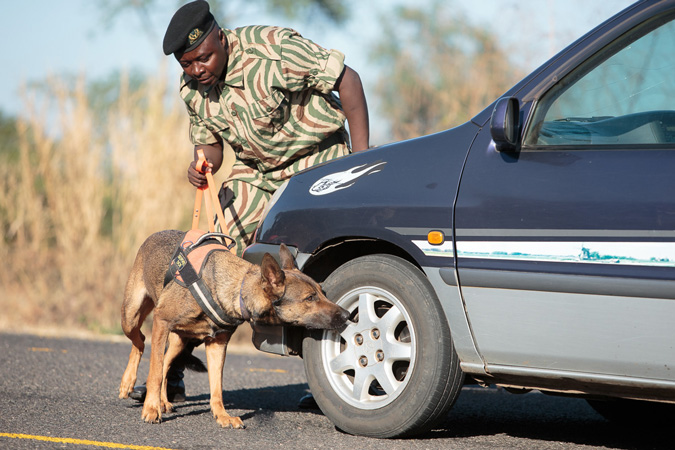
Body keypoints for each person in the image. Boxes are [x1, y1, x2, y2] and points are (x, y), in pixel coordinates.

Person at [130, 0, 370, 408]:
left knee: (311, 267)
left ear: (220, 38)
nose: (196, 70)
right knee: (212, 257)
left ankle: (328, 383)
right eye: (186, 64)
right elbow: (213, 148)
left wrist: (362, 161)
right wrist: (201, 163)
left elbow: (348, 80)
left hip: (318, 158)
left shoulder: (272, 49)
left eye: (202, 57)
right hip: (259, 171)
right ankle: (171, 371)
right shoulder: (193, 88)